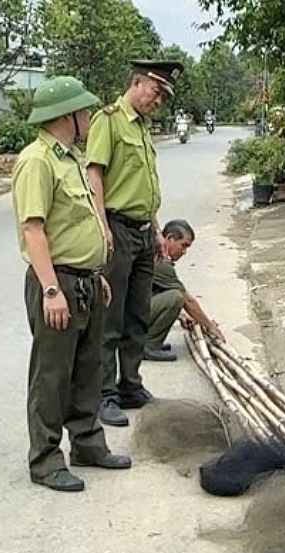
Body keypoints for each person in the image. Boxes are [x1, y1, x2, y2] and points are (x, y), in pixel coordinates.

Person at [11, 75, 133, 492]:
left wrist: (96, 273)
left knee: (87, 368)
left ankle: (87, 443)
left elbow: (82, 221)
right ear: (67, 116)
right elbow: (34, 230)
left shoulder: (72, 158)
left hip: (85, 280)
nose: (88, 116)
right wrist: (50, 290)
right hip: (57, 282)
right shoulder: (37, 161)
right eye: (83, 111)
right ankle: (45, 460)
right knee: (52, 375)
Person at [86, 59, 184, 427]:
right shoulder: (108, 120)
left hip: (144, 231)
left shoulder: (142, 126)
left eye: (162, 97)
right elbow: (95, 174)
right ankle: (105, 394)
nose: (158, 101)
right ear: (138, 83)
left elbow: (144, 186)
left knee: (137, 315)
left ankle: (130, 385)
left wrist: (157, 229)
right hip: (117, 228)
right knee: (110, 318)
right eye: (156, 92)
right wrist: (102, 227)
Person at [144, 219, 226, 362]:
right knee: (176, 298)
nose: (184, 252)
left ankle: (146, 340)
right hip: (128, 315)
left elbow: (154, 290)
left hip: (130, 311)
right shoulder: (160, 262)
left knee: (173, 297)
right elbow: (187, 300)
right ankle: (149, 345)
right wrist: (210, 327)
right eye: (183, 245)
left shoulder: (152, 251)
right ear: (169, 238)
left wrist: (181, 315)